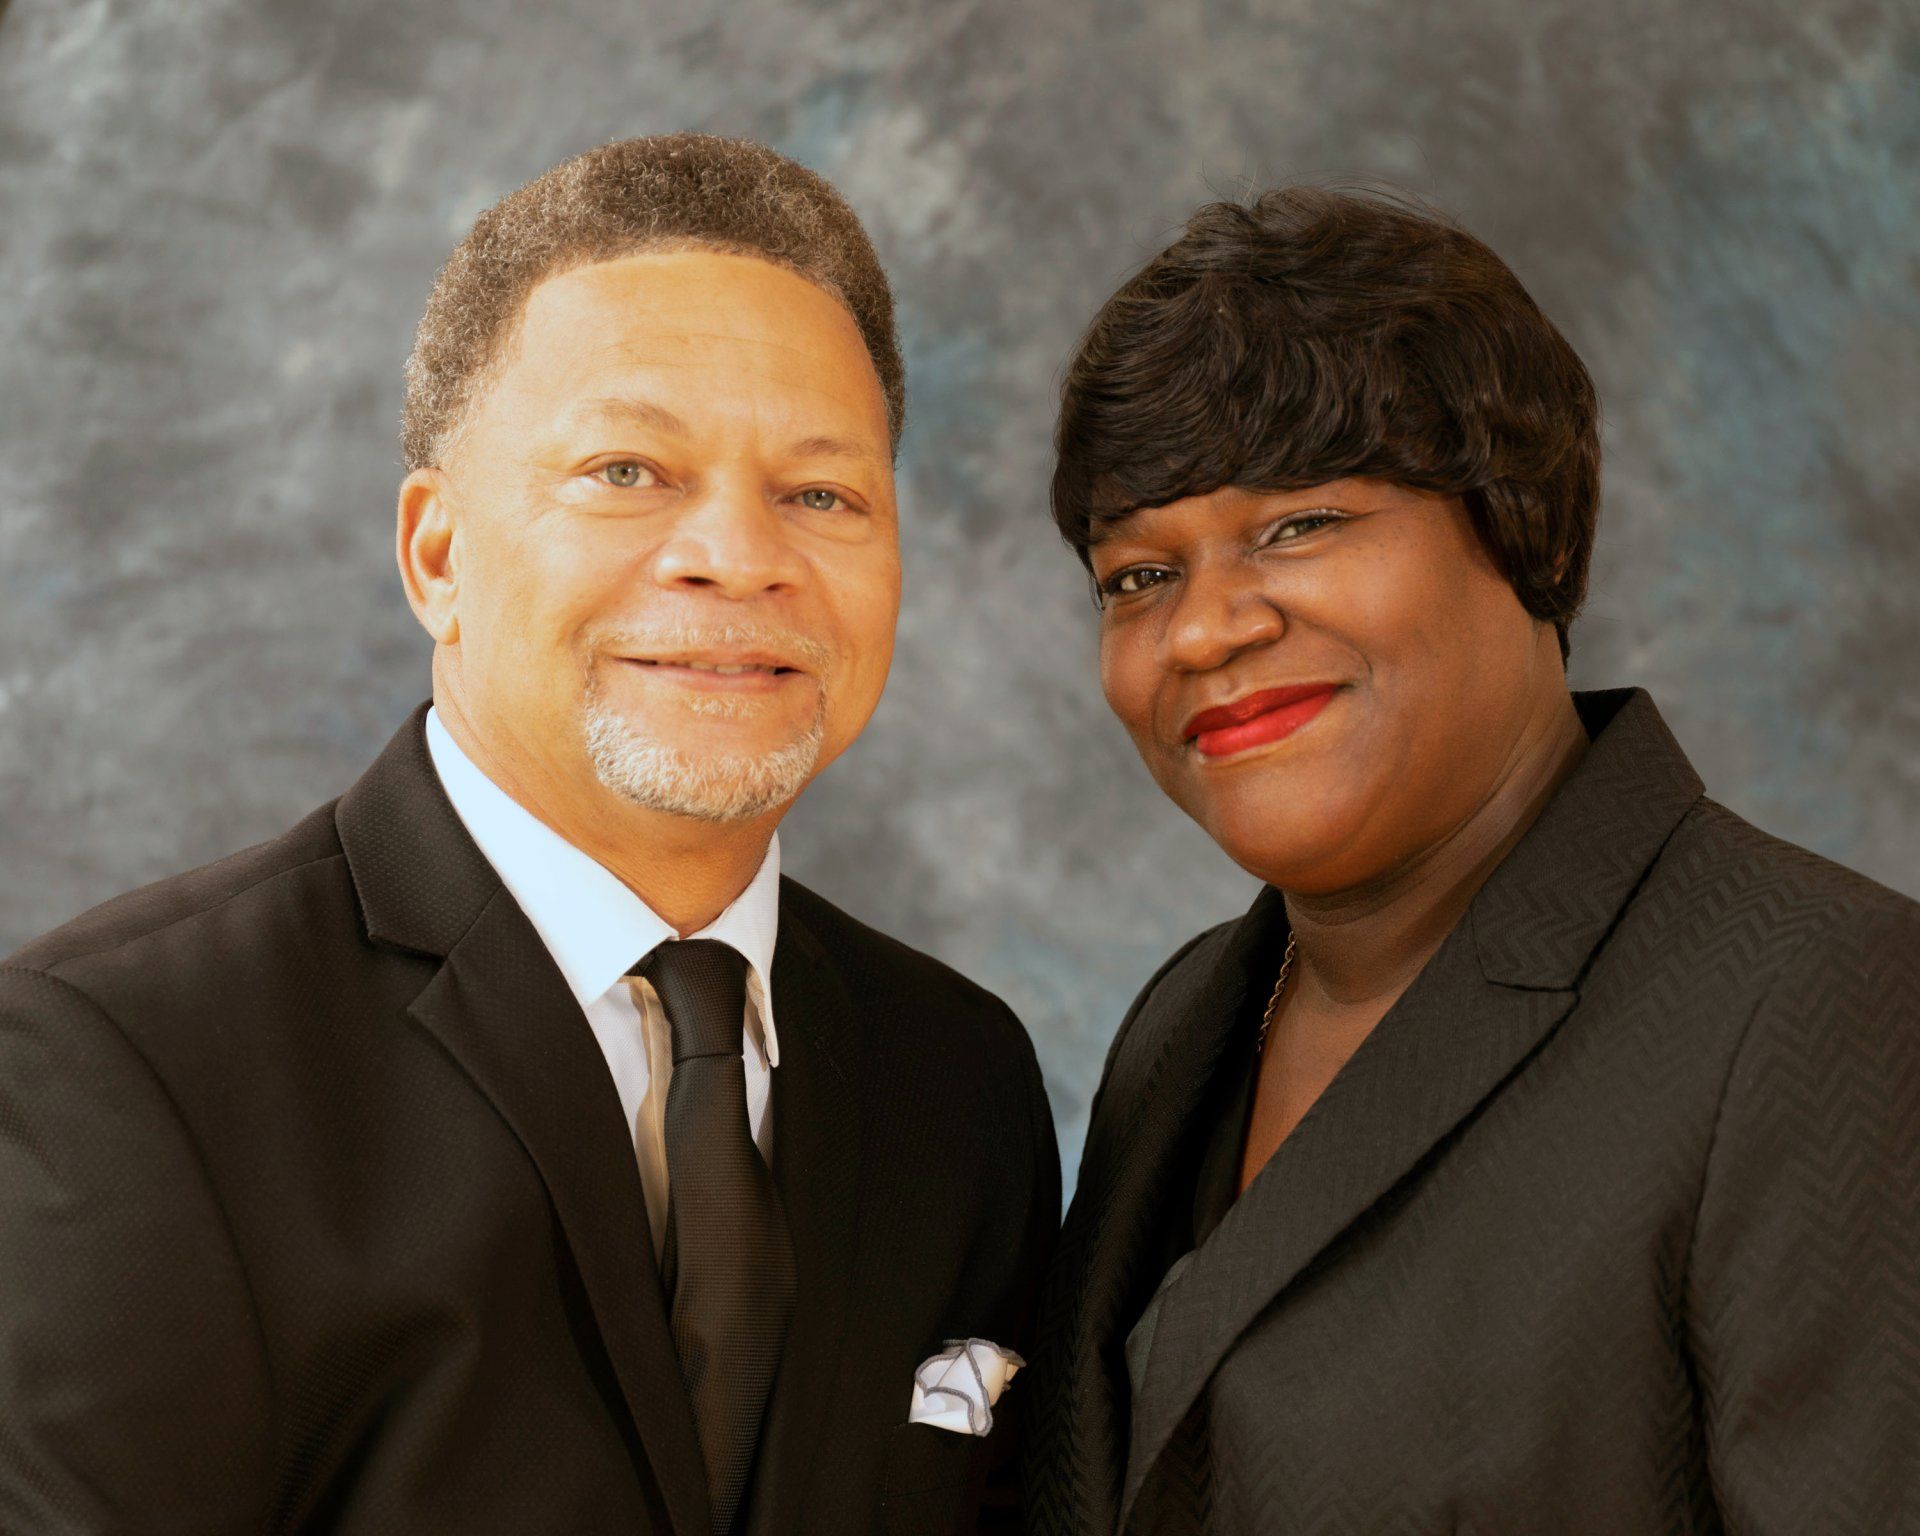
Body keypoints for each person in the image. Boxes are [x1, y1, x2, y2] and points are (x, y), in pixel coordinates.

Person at [0, 134, 1057, 1536]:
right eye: (628, 470)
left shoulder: (960, 1078)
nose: (738, 554)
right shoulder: (124, 1066)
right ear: (438, 555)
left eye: (822, 492)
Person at [1024, 186, 1920, 1534]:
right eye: (1140, 577)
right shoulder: (1181, 1031)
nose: (1204, 630)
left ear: (1526, 528)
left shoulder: (1826, 1006)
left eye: (1299, 526)